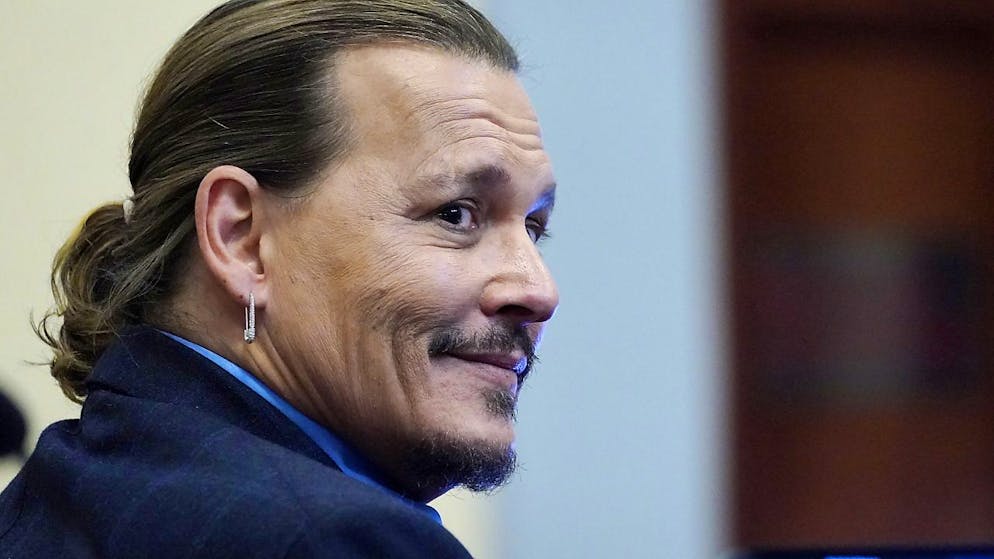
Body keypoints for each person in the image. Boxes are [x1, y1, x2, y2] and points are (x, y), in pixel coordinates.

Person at [0, 1, 558, 556]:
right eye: (455, 214)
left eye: (534, 227)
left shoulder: (61, 494)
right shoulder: (332, 541)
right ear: (241, 240)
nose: (539, 291)